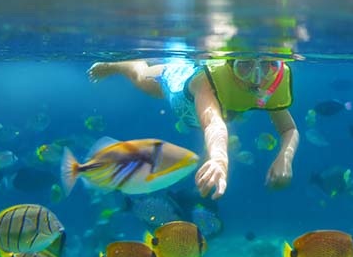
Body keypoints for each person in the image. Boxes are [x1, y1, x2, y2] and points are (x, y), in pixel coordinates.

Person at [88, 57, 299, 199]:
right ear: (229, 65)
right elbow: (213, 123)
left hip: (222, 109)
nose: (257, 79)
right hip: (176, 85)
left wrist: (285, 157)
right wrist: (219, 159)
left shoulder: (271, 85)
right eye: (245, 66)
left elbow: (289, 129)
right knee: (141, 76)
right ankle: (118, 65)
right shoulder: (205, 82)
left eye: (268, 66)